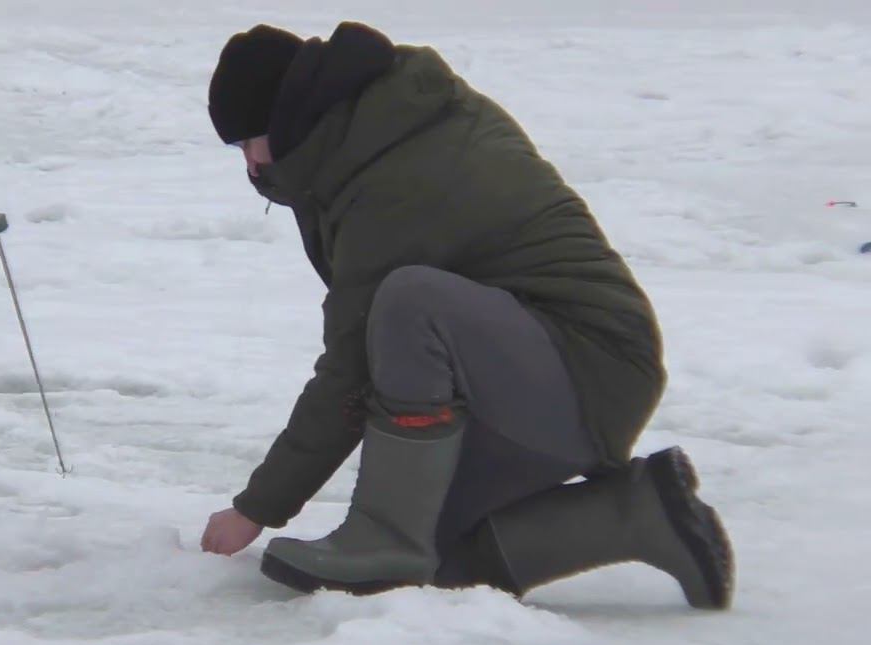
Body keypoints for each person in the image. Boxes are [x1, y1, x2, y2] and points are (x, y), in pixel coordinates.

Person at [199, 22, 735, 608]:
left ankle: (386, 535)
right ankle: (638, 513)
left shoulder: (393, 172)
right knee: (438, 563)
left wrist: (258, 508)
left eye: (247, 141)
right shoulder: (381, 123)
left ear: (286, 118)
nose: (250, 164)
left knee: (409, 302)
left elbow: (352, 364)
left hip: (587, 366)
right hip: (546, 367)